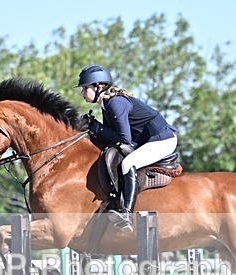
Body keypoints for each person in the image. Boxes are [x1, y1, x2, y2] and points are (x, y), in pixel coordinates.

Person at [76, 65, 177, 232]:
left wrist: (98, 129)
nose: (82, 92)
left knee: (127, 163)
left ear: (99, 87)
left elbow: (124, 139)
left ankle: (126, 214)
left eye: (85, 88)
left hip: (162, 140)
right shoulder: (106, 104)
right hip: (147, 141)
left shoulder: (115, 103)